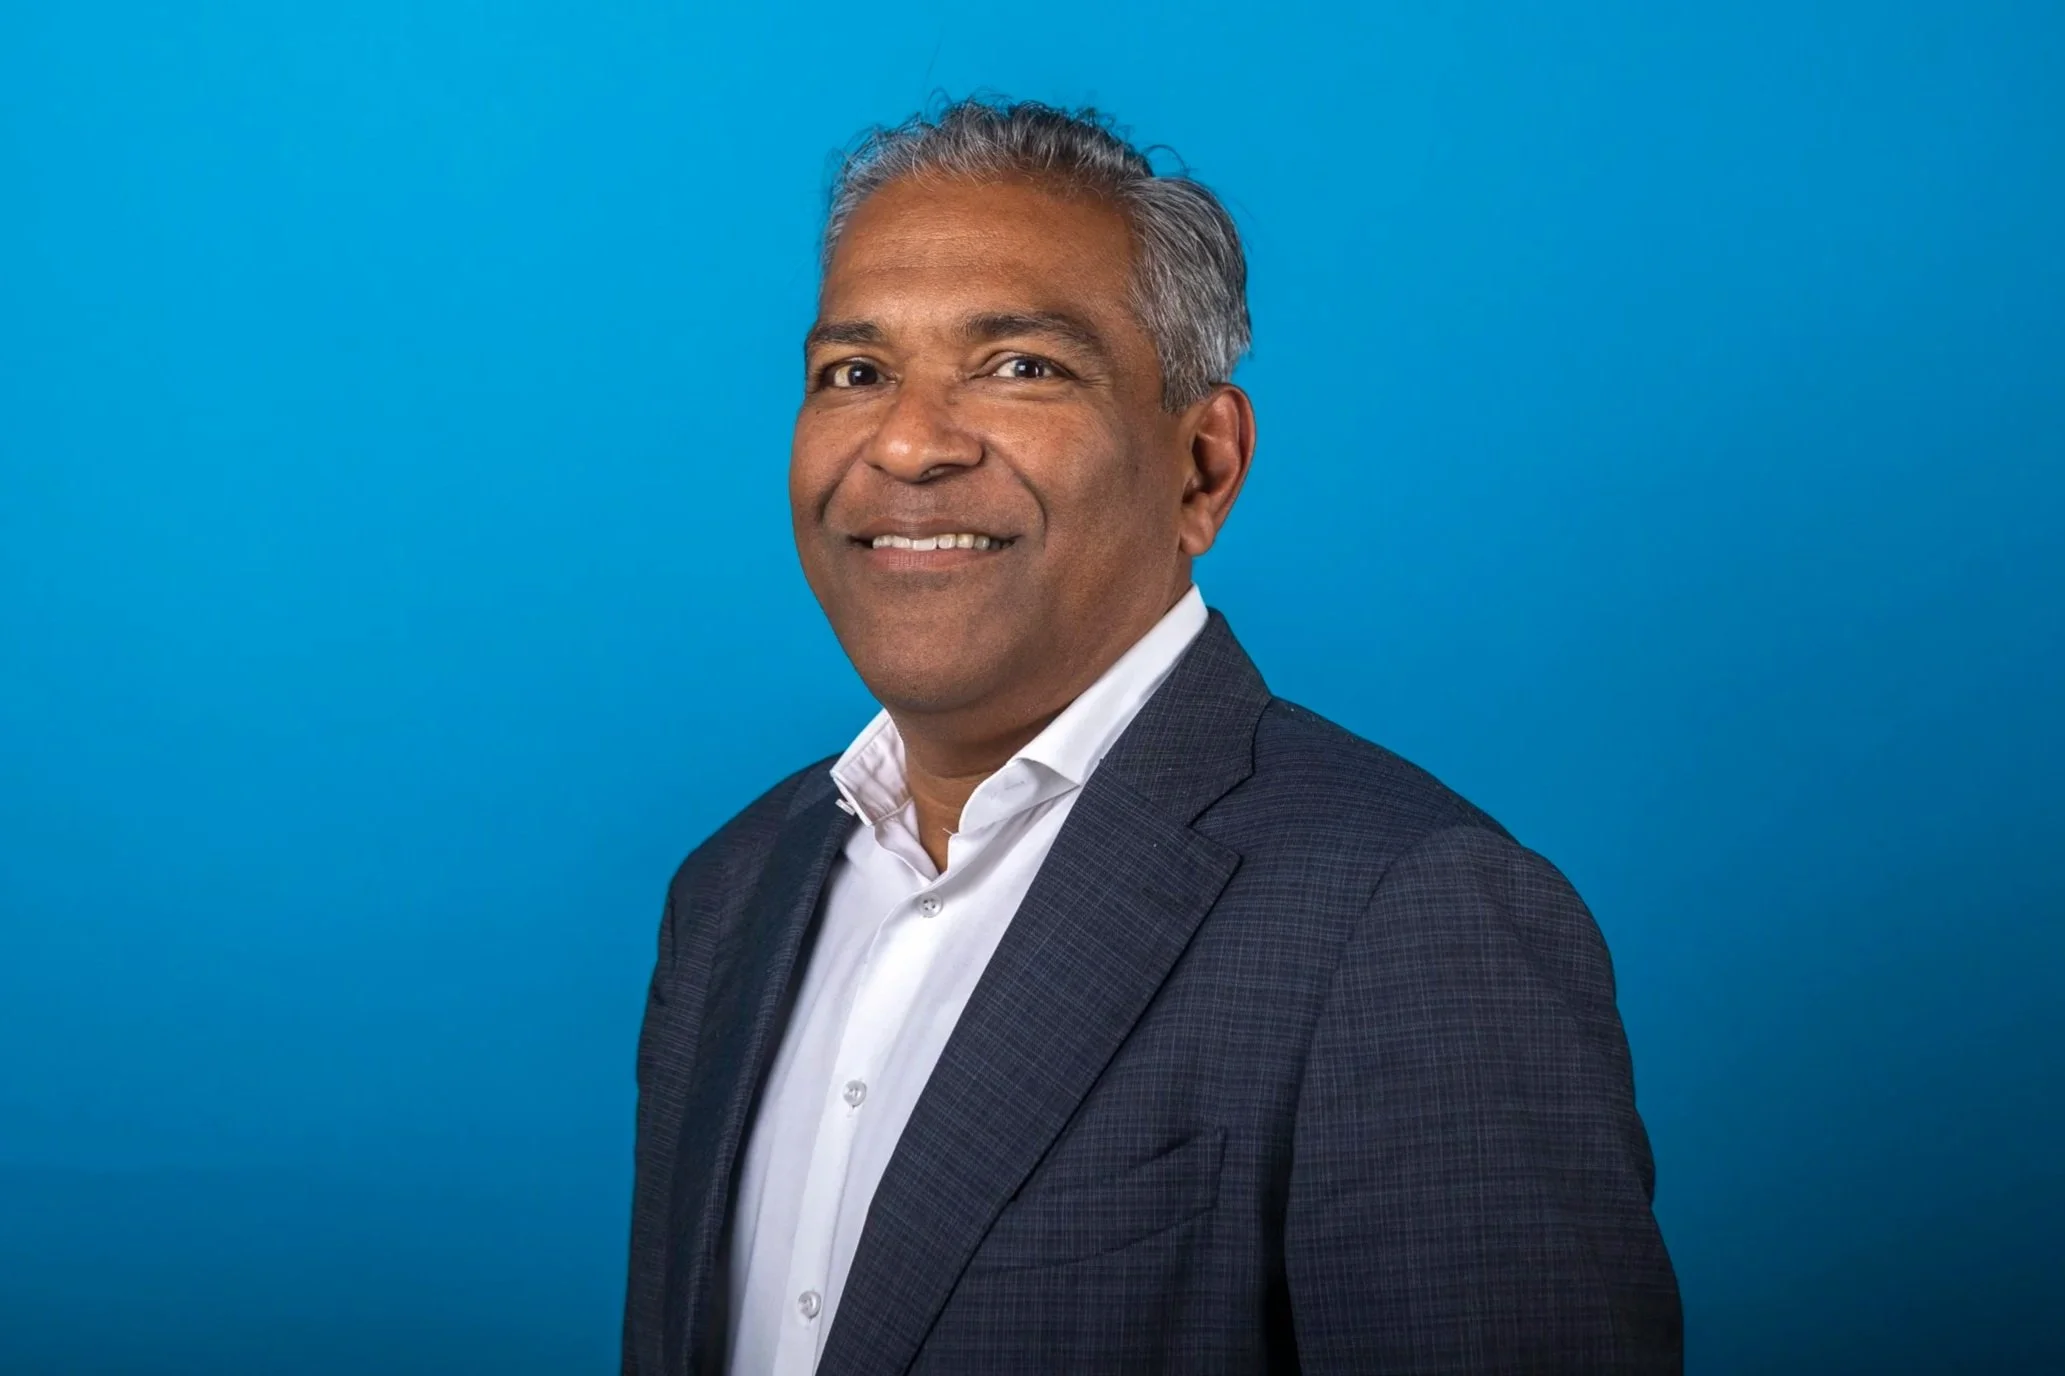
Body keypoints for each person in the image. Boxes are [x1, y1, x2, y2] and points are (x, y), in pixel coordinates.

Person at [622, 98, 1681, 1375]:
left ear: (1202, 466)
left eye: (1021, 366)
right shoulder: (733, 890)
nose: (906, 442)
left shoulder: (1407, 916)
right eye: (855, 372)